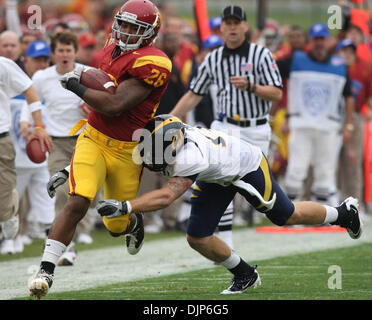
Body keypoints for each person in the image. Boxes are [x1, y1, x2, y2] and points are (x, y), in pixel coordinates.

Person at [95, 114, 362, 294]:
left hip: (245, 167)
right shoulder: (172, 142)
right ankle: (245, 274)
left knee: (285, 216)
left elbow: (167, 196)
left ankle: (342, 213)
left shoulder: (189, 157)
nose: (153, 159)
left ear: (174, 143)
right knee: (197, 237)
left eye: (157, 151)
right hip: (217, 173)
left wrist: (128, 207)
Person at [29, 0, 171, 299]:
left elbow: (115, 104)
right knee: (77, 202)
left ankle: (132, 223)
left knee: (115, 224)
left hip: (125, 149)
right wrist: (71, 167)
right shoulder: (111, 44)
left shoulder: (154, 62)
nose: (126, 30)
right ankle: (46, 269)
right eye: (124, 23)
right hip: (93, 137)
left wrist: (77, 87)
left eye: (135, 27)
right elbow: (102, 82)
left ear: (149, 34)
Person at [170, 5, 283, 249]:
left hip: (256, 127)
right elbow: (194, 93)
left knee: (260, 192)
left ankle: (329, 213)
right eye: (227, 23)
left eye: (236, 23)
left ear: (245, 26)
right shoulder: (213, 58)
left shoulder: (261, 55)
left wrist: (251, 87)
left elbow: (276, 92)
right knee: (224, 180)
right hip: (225, 127)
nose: (231, 27)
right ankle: (227, 240)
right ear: (221, 27)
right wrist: (169, 118)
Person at [31, 32, 94, 257]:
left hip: (86, 141)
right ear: (53, 54)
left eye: (69, 50)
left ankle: (83, 229)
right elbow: (32, 101)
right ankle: (66, 248)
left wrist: (92, 107)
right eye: (60, 50)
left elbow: (106, 102)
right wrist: (32, 127)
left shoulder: (88, 74)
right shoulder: (42, 77)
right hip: (56, 141)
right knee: (60, 192)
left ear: (75, 52)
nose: (65, 54)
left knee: (84, 195)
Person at [277, 23, 354, 205]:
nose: (319, 43)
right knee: (296, 169)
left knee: (325, 171)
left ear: (327, 41)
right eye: (316, 39)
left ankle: (322, 214)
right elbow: (272, 70)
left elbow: (349, 96)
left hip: (327, 126)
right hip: (301, 124)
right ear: (310, 41)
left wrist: (348, 125)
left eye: (322, 39)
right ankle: (291, 213)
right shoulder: (296, 60)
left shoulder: (338, 65)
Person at [2, 41, 54, 255]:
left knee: (5, 201)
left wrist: (38, 125)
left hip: (5, 141)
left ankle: (11, 213)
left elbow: (29, 90)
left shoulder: (4, 66)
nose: (41, 64)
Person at [336, 39, 372, 215]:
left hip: (355, 117)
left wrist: (369, 109)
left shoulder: (364, 67)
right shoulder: (334, 66)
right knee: (331, 162)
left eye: (351, 50)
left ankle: (356, 203)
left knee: (353, 162)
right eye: (345, 50)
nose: (348, 54)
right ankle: (334, 202)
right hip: (333, 118)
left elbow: (369, 93)